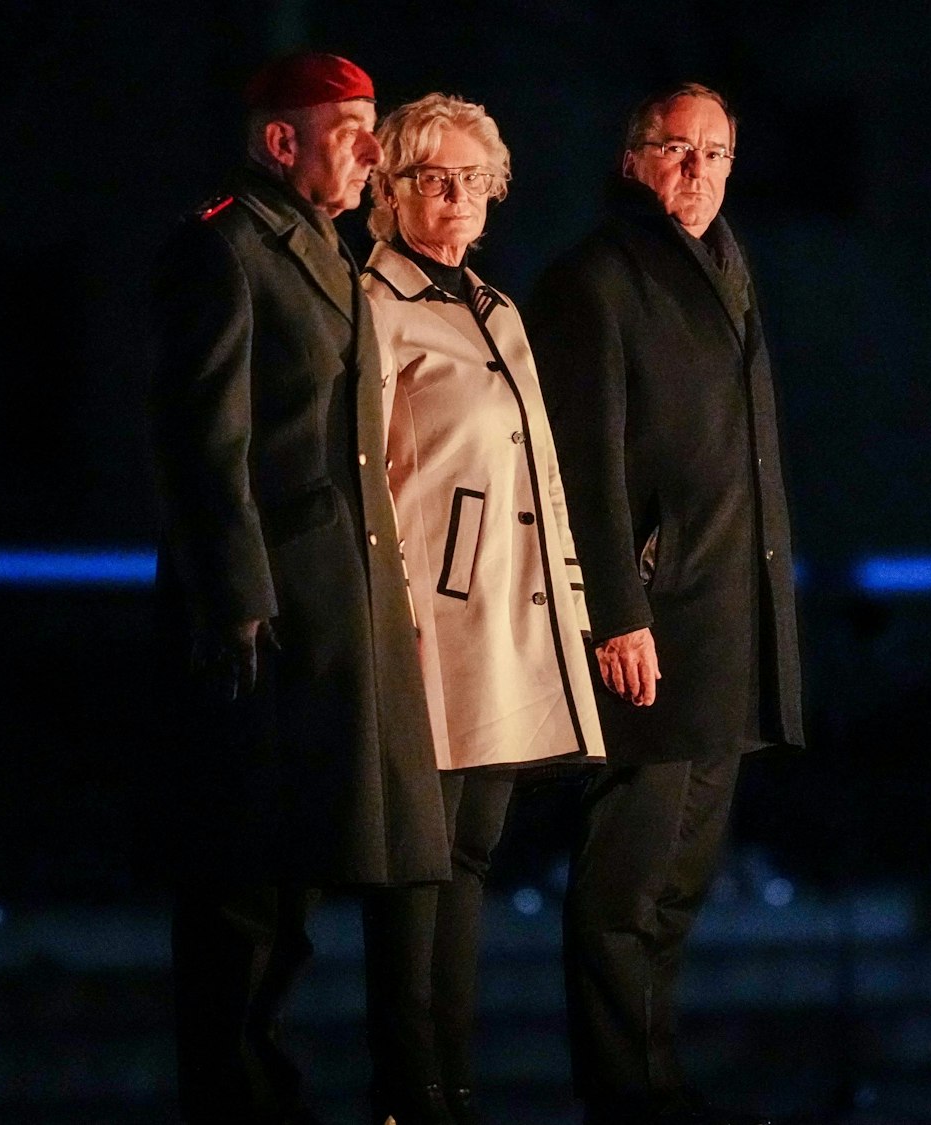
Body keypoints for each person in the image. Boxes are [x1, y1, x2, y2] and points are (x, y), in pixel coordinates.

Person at [147, 52, 448, 1125]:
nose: (374, 149)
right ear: (283, 143)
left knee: (294, 875)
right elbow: (205, 448)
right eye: (351, 127)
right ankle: (232, 1099)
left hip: (334, 604)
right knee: (244, 885)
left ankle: (263, 1091)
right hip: (270, 615)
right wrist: (234, 601)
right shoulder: (228, 248)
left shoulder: (320, 245)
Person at [525, 83, 805, 1125]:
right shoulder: (597, 279)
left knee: (681, 879)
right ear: (632, 155)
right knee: (623, 883)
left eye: (716, 155)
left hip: (724, 613)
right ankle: (620, 1089)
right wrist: (616, 608)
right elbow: (584, 464)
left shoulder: (725, 267)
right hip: (653, 619)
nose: (696, 175)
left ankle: (652, 1078)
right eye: (676, 152)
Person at [357, 93, 608, 1125]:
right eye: (432, 178)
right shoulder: (375, 305)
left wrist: (576, 610)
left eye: (474, 180)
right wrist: (395, 616)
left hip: (507, 625)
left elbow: (541, 475)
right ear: (388, 188)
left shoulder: (493, 308)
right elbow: (367, 478)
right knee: (412, 870)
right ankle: (407, 1094)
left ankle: (449, 1088)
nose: (456, 197)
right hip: (427, 629)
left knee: (468, 860)